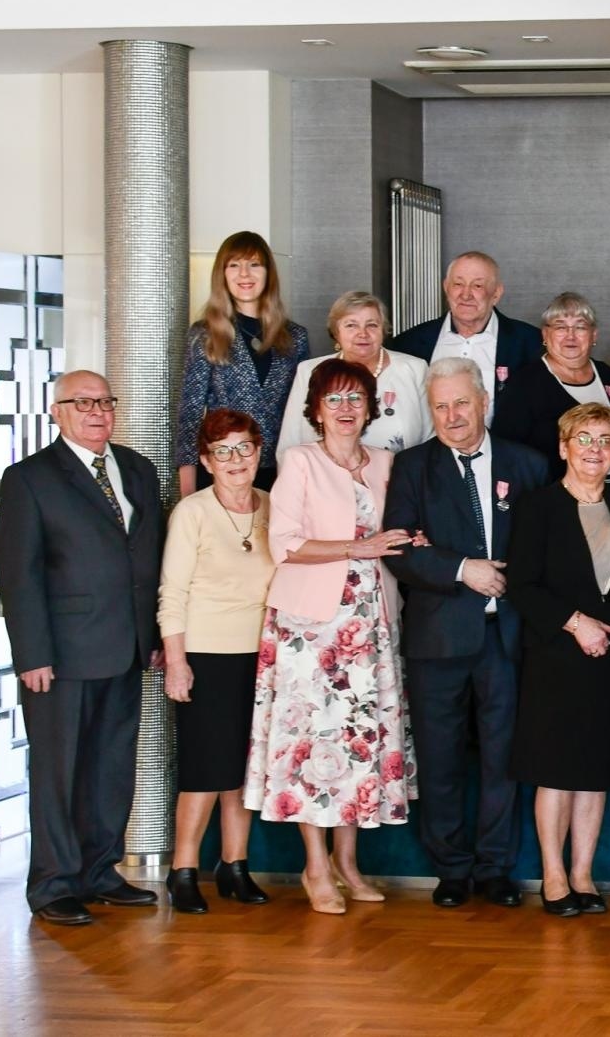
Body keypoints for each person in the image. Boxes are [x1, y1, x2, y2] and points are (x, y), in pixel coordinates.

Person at [242, 358, 420, 915]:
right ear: (316, 411)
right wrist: (356, 548)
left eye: (355, 399)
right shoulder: (298, 461)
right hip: (311, 628)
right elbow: (285, 544)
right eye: (334, 400)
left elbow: (406, 529)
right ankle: (314, 867)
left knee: (361, 743)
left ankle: (349, 863)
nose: (345, 410)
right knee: (311, 745)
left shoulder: (389, 462)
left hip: (373, 622)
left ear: (372, 407)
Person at [0, 371, 164, 926]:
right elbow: (18, 574)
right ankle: (53, 883)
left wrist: (156, 636)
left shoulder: (137, 469)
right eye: (83, 403)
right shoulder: (29, 478)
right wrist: (32, 655)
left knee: (112, 767)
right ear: (58, 411)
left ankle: (99, 870)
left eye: (106, 402)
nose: (98, 412)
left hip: (127, 646)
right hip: (61, 655)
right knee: (59, 769)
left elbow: (149, 561)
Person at [382, 357, 550, 909]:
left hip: (508, 637)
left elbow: (546, 546)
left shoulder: (528, 464)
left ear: (483, 402)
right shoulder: (411, 468)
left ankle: (497, 867)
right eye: (441, 406)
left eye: (461, 402)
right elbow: (402, 548)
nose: (452, 415)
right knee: (440, 757)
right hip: (438, 638)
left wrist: (508, 573)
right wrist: (461, 568)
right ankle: (451, 868)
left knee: (504, 757)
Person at [507, 403, 610, 917]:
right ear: (563, 447)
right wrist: (575, 622)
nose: (595, 450)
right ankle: (554, 876)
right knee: (556, 770)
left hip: (608, 660)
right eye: (584, 439)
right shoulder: (539, 507)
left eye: (605, 440)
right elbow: (521, 584)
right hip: (556, 656)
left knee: (593, 770)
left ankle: (583, 873)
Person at [159, 409, 277, 914]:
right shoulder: (192, 512)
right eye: (222, 451)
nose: (236, 460)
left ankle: (235, 866)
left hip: (264, 655)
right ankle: (183, 871)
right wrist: (176, 661)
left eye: (244, 448)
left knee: (243, 771)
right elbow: (172, 593)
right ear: (206, 461)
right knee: (206, 770)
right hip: (205, 654)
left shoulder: (274, 506)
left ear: (258, 452)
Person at [177, 231, 310, 496]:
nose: (244, 274)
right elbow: (190, 416)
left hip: (281, 471)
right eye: (234, 265)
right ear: (222, 274)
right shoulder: (205, 334)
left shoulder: (295, 337)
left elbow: (304, 412)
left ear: (268, 273)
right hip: (222, 470)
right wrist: (188, 493)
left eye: (254, 264)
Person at [493, 292, 610, 483]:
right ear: (545, 335)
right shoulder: (525, 382)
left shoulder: (605, 373)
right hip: (556, 501)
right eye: (560, 327)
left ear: (593, 335)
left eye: (580, 327)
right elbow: (506, 452)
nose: (570, 336)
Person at [387, 250, 543, 431]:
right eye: (458, 284)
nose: (466, 294)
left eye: (477, 286)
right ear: (446, 287)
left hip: (504, 455)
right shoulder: (408, 344)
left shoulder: (530, 343)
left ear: (496, 293)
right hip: (430, 456)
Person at [278, 291, 431, 457]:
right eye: (351, 325)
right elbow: (289, 445)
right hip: (324, 480)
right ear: (336, 333)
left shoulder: (415, 369)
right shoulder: (309, 372)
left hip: (402, 480)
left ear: (383, 330)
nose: (362, 333)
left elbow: (431, 438)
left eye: (372, 325)